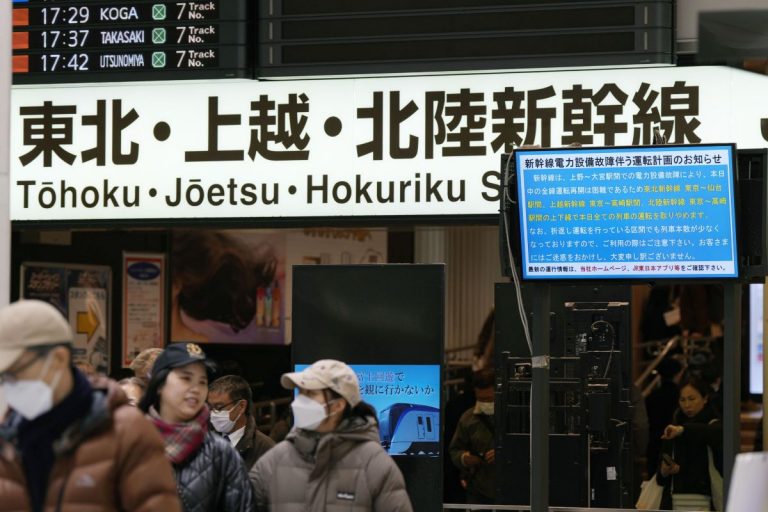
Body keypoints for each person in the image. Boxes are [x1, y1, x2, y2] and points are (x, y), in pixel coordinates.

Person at [0, 299, 181, 512]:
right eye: (3, 376)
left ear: (58, 358)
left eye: (14, 372)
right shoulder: (9, 439)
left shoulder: (126, 432)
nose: (8, 384)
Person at [249, 359, 413, 511]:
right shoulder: (275, 460)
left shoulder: (375, 464)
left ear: (337, 405)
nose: (299, 402)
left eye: (311, 394)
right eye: (301, 393)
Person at [139, 342, 255, 512]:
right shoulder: (131, 444)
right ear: (160, 384)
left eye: (202, 382)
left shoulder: (221, 453)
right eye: (186, 378)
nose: (196, 388)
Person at [658, 377, 722, 511]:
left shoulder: (713, 424)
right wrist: (664, 471)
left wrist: (682, 430)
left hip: (704, 499)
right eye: (682, 400)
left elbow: (711, 434)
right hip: (674, 499)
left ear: (705, 399)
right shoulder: (674, 425)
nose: (687, 405)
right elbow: (660, 476)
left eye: (692, 399)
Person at [449, 368, 496, 505]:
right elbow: (455, 450)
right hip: (479, 491)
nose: (485, 404)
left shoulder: (516, 416)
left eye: (489, 399)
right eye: (480, 399)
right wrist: (465, 458)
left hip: (512, 490)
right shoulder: (468, 419)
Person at [208, 374, 275, 469]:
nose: (213, 413)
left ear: (241, 406)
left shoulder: (266, 449)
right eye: (210, 407)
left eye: (219, 407)